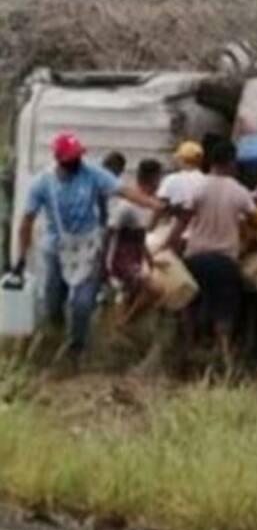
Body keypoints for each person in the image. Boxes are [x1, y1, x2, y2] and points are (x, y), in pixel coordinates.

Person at [12, 133, 161, 363]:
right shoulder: (43, 183)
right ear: (60, 160)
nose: (77, 162)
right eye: (71, 159)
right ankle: (53, 338)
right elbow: (26, 222)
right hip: (56, 249)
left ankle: (76, 350)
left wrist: (154, 204)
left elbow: (124, 191)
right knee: (53, 302)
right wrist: (21, 258)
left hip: (88, 247)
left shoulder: (91, 173)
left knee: (82, 304)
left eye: (78, 156)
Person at [166, 138, 257, 370]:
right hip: (224, 260)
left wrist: (168, 247)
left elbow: (182, 221)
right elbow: (256, 221)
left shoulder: (198, 188)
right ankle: (225, 358)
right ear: (231, 162)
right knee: (224, 312)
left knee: (190, 305)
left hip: (195, 257)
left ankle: (189, 351)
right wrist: (246, 239)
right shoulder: (239, 191)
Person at [106, 158, 164, 324]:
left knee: (126, 293)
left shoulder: (148, 203)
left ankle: (120, 326)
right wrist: (105, 265)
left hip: (134, 257)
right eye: (159, 179)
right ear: (152, 179)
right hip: (120, 259)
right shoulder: (127, 205)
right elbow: (110, 231)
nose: (160, 184)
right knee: (155, 290)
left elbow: (141, 235)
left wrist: (148, 257)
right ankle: (126, 322)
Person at [153, 141, 207, 243]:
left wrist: (150, 228)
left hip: (173, 233)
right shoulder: (206, 181)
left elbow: (159, 207)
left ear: (182, 160)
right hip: (199, 234)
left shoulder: (172, 179)